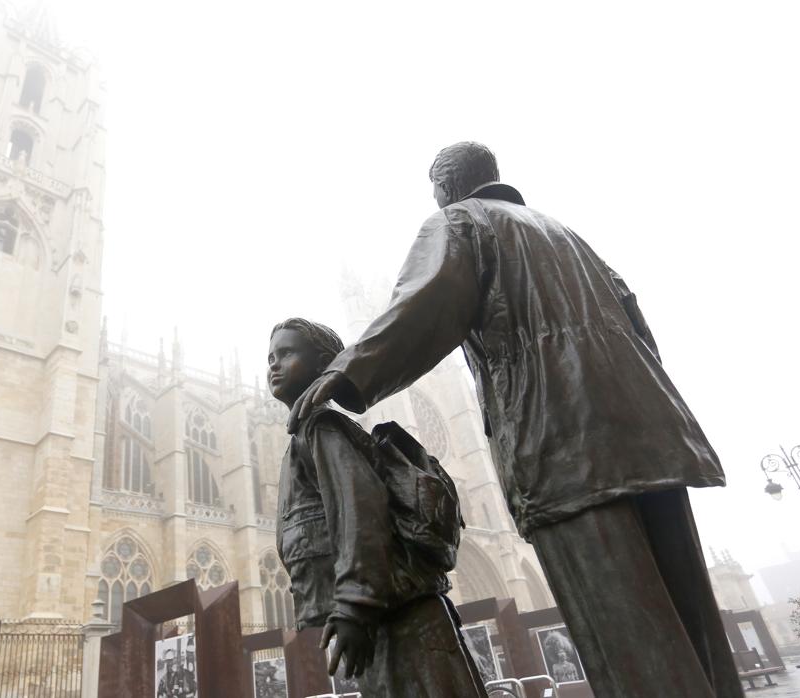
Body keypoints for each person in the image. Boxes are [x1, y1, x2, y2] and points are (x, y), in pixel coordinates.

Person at [288, 142, 745, 697]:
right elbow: (640, 332)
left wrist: (344, 374)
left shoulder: (460, 221)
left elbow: (424, 304)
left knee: (623, 628)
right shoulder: (564, 233)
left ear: (448, 185)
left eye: (435, 187)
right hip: (652, 441)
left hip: (561, 445)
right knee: (689, 614)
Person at [268, 318, 485, 697]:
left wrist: (355, 604)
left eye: (286, 354)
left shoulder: (321, 427)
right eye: (271, 356)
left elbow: (359, 507)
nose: (273, 364)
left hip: (393, 614)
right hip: (388, 615)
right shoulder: (306, 432)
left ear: (324, 365)